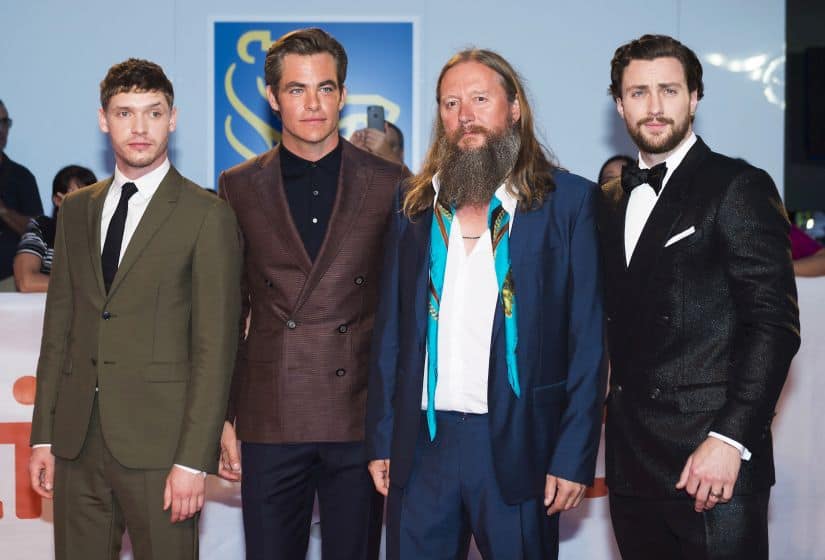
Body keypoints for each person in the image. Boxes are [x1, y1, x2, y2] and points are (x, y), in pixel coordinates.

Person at [365, 48, 606, 559]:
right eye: (450, 103)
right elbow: (390, 332)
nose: (464, 115)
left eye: (479, 99)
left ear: (514, 107)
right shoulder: (413, 205)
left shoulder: (569, 202)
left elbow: (587, 341)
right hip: (423, 444)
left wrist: (572, 454)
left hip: (521, 446)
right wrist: (383, 437)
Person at [28, 58, 242, 560]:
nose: (139, 127)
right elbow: (59, 329)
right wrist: (43, 435)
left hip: (163, 447)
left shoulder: (206, 214)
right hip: (77, 442)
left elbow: (215, 348)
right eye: (125, 113)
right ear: (104, 120)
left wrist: (195, 460)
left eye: (153, 112)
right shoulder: (76, 211)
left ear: (174, 118)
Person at [598, 34, 800, 559]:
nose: (655, 106)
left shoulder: (737, 186)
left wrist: (731, 440)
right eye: (638, 92)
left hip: (712, 464)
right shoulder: (611, 200)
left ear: (695, 98)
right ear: (620, 104)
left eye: (669, 90)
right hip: (632, 464)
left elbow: (773, 326)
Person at [217, 28, 407, 560]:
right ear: (273, 97)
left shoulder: (391, 182)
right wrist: (226, 416)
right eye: (297, 90)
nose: (313, 103)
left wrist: (396, 421)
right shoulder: (237, 184)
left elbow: (406, 311)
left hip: (359, 416)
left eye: (325, 88)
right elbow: (232, 310)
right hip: (271, 412)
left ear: (343, 96)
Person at [14, 165, 97, 292]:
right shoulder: (42, 228)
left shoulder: (102, 231)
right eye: (77, 195)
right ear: (58, 200)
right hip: (44, 309)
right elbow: (27, 282)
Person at [0, 99, 43, 286]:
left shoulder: (21, 177)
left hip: (9, 282)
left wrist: (4, 212)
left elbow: (38, 233)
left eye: (4, 122)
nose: (1, 129)